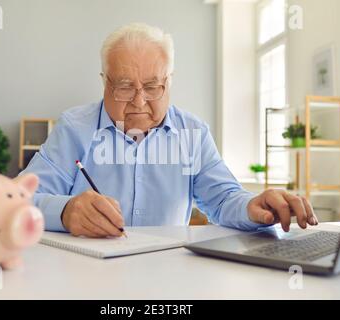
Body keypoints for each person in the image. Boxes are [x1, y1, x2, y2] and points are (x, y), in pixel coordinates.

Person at [21, 23, 318, 238]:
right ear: (104, 82)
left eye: (152, 86)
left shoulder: (194, 133)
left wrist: (253, 206)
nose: (139, 101)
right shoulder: (74, 128)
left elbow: (224, 199)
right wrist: (64, 211)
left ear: (169, 82)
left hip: (168, 276)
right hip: (83, 276)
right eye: (125, 87)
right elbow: (19, 200)